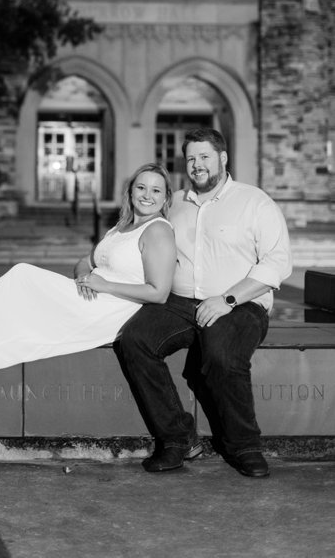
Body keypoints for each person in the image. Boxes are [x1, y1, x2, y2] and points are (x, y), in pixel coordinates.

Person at [115, 128, 292, 478]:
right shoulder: (175, 202)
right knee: (136, 339)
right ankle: (178, 439)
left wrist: (227, 299)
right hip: (181, 302)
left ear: (223, 159)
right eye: (191, 159)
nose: (197, 165)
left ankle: (244, 445)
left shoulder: (254, 202)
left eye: (204, 157)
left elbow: (278, 262)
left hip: (240, 303)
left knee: (222, 355)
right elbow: (135, 236)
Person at [0, 163, 177, 372]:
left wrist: (105, 285)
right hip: (89, 294)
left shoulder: (157, 231)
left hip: (110, 310)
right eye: (141, 187)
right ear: (131, 191)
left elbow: (159, 292)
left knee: (22, 274)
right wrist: (82, 277)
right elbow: (84, 262)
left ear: (165, 198)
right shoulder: (121, 228)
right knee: (21, 283)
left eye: (156, 190)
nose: (147, 195)